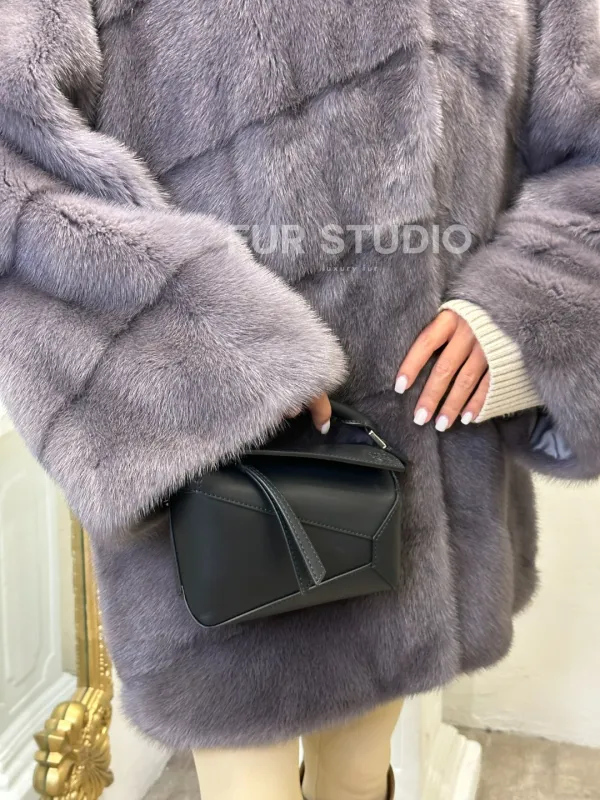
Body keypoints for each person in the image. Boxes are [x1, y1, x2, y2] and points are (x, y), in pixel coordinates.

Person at [2, 1, 600, 798]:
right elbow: (15, 162)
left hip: (428, 463)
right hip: (224, 473)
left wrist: (528, 309)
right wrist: (221, 361)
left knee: (357, 778)